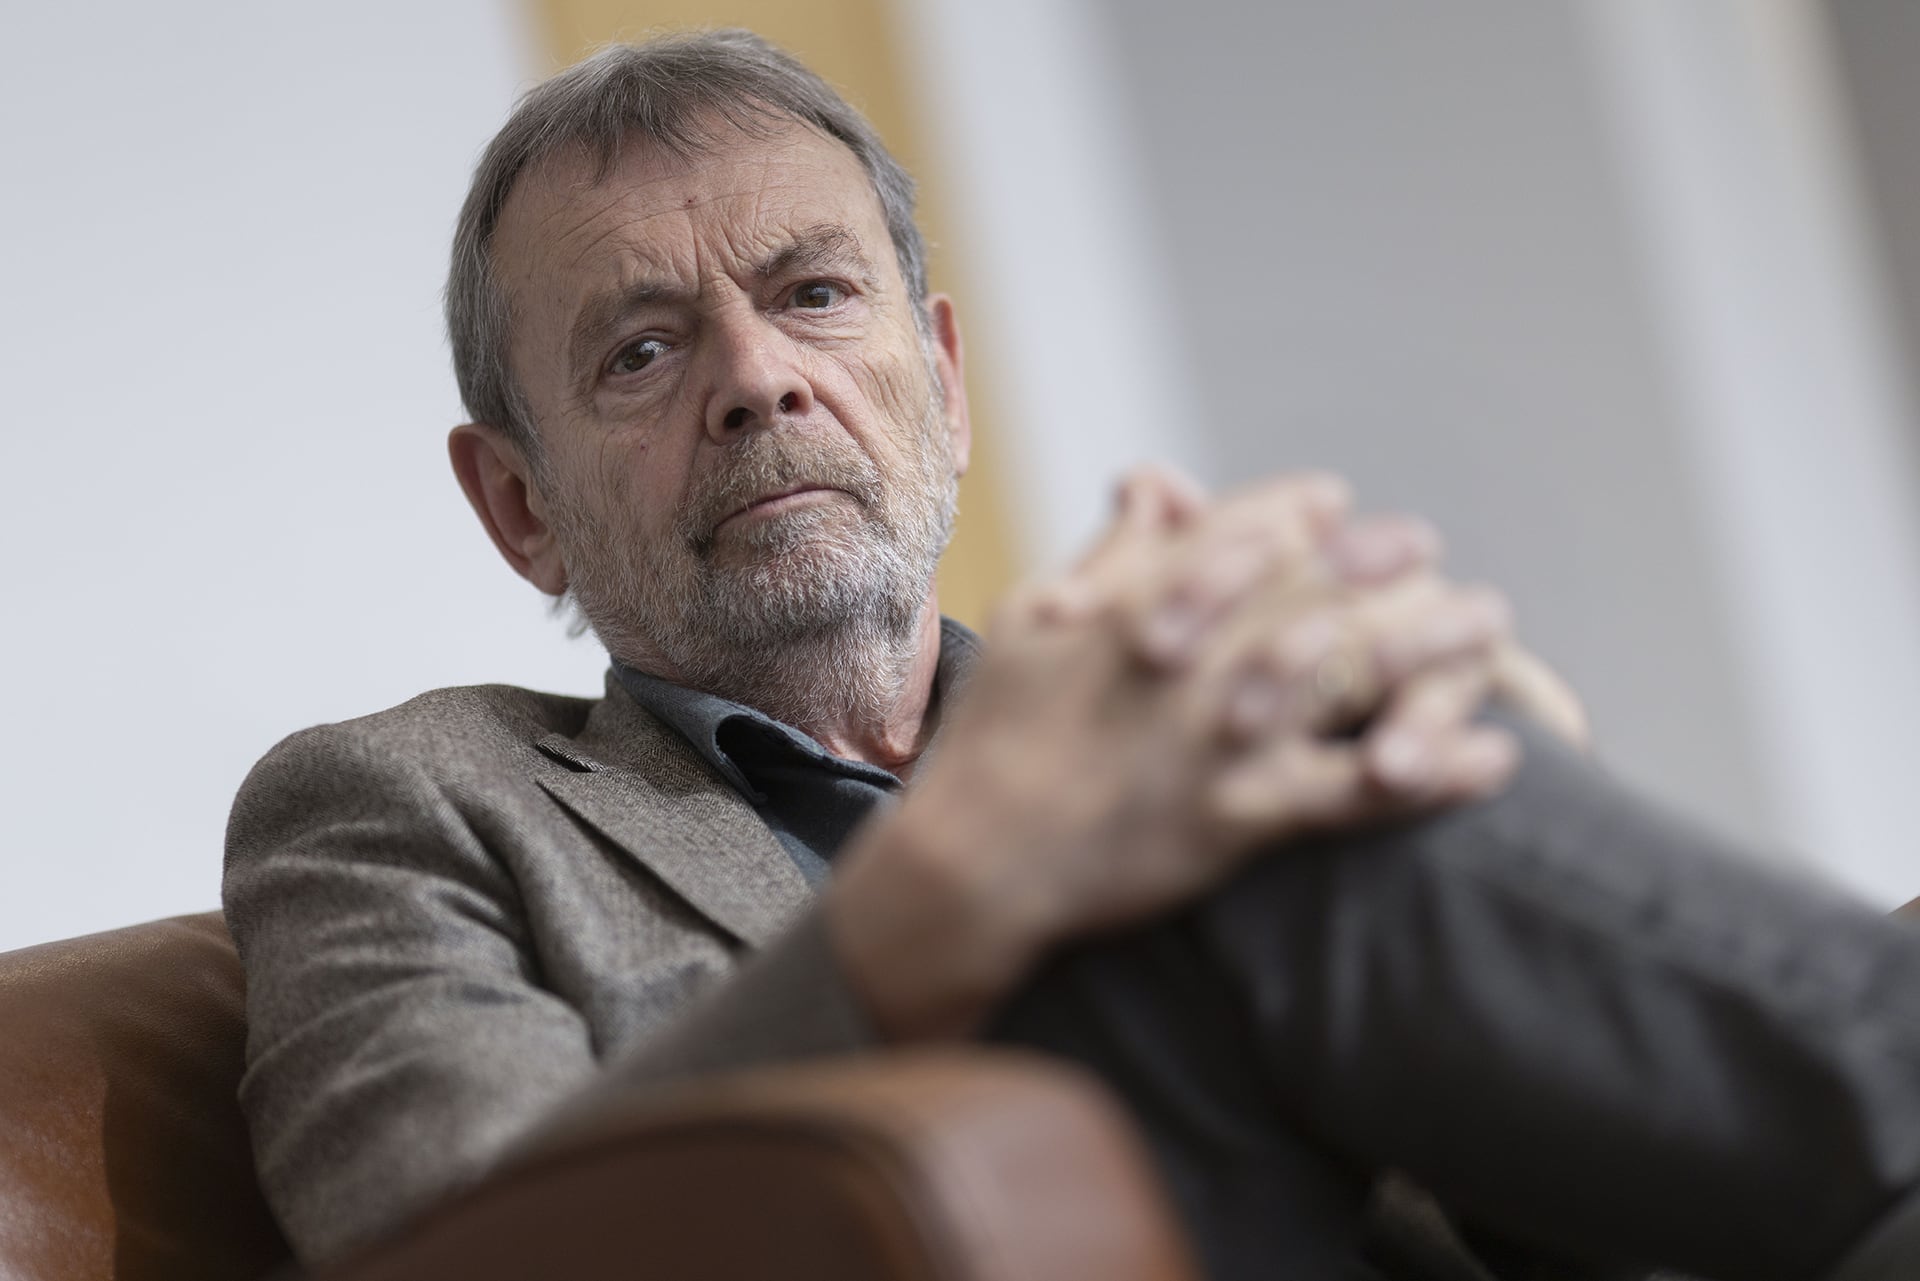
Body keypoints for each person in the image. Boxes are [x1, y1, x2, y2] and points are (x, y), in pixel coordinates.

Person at [223, 29, 1920, 1281]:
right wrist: (916, 919)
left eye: (814, 293)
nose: (756, 380)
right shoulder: (392, 808)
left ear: (943, 383)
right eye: (646, 349)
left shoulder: (1163, 706)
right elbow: (446, 1254)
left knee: (1314, 781)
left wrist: (1506, 789)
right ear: (519, 504)